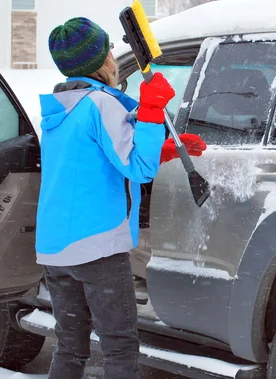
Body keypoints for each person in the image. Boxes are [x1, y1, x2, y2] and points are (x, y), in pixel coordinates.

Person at [35, 17, 177, 379]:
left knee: (70, 347)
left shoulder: (61, 109)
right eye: (110, 48)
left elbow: (99, 158)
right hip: (96, 248)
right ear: (103, 61)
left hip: (56, 250)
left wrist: (161, 148)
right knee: (119, 347)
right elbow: (140, 169)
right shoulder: (100, 104)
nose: (115, 52)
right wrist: (150, 111)